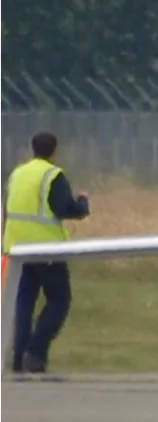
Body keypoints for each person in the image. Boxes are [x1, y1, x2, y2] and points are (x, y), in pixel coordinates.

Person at [8, 131, 89, 376]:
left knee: (23, 303)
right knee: (59, 300)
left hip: (17, 249)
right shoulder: (53, 175)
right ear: (54, 150)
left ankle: (19, 361)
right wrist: (83, 202)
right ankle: (36, 351)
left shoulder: (17, 174)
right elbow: (66, 209)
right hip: (45, 249)